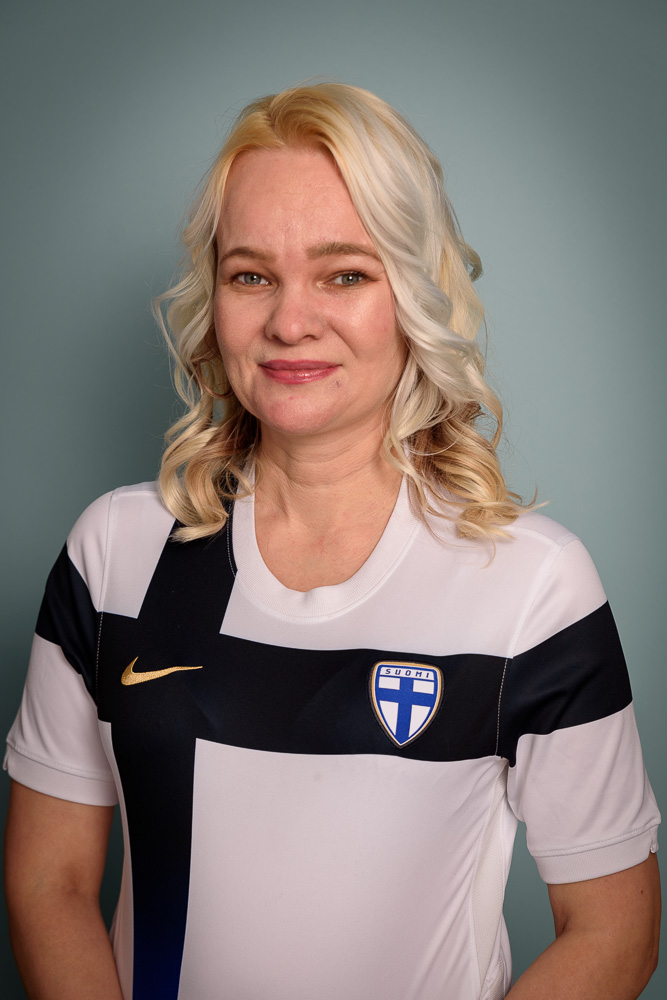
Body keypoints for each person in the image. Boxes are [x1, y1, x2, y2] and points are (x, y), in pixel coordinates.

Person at [4, 83, 661, 1000]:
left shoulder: (533, 586)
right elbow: (52, 882)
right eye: (250, 275)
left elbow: (614, 929)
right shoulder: (113, 553)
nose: (288, 321)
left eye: (343, 273)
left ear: (413, 292)